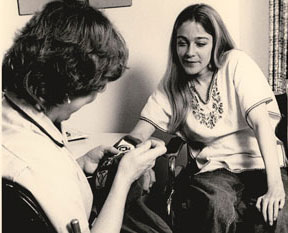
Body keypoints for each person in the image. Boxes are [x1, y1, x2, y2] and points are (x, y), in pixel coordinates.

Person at [1, 1, 168, 233]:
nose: (94, 98)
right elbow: (43, 178)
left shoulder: (11, 112)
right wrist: (124, 178)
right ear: (69, 89)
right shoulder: (34, 167)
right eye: (97, 89)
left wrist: (79, 165)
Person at [130, 3, 288, 233]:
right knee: (214, 207)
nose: (190, 52)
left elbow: (261, 123)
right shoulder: (171, 86)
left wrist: (275, 186)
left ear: (216, 43)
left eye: (200, 43)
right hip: (214, 169)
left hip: (262, 163)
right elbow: (137, 134)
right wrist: (137, 164)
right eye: (182, 43)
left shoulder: (235, 63)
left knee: (280, 212)